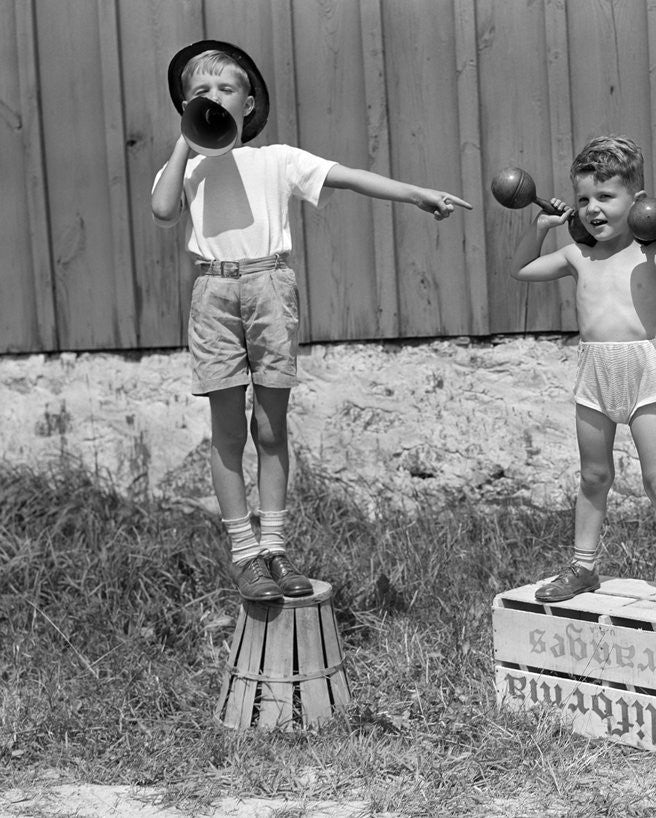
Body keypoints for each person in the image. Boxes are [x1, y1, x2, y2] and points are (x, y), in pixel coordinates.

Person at [152, 40, 470, 602]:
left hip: (270, 286)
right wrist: (185, 139)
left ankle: (274, 546)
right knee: (227, 430)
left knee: (271, 427)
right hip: (214, 290)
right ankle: (244, 554)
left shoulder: (278, 159)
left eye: (226, 88)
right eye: (199, 92)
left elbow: (347, 176)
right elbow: (161, 209)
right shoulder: (189, 168)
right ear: (183, 104)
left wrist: (415, 193)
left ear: (249, 103)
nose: (214, 98)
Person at [510, 135, 656, 621]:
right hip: (594, 372)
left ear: (636, 199)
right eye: (584, 198)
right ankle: (584, 567)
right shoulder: (576, 256)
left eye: (606, 197)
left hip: (640, 372)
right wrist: (542, 225)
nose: (592, 208)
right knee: (594, 475)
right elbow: (523, 269)